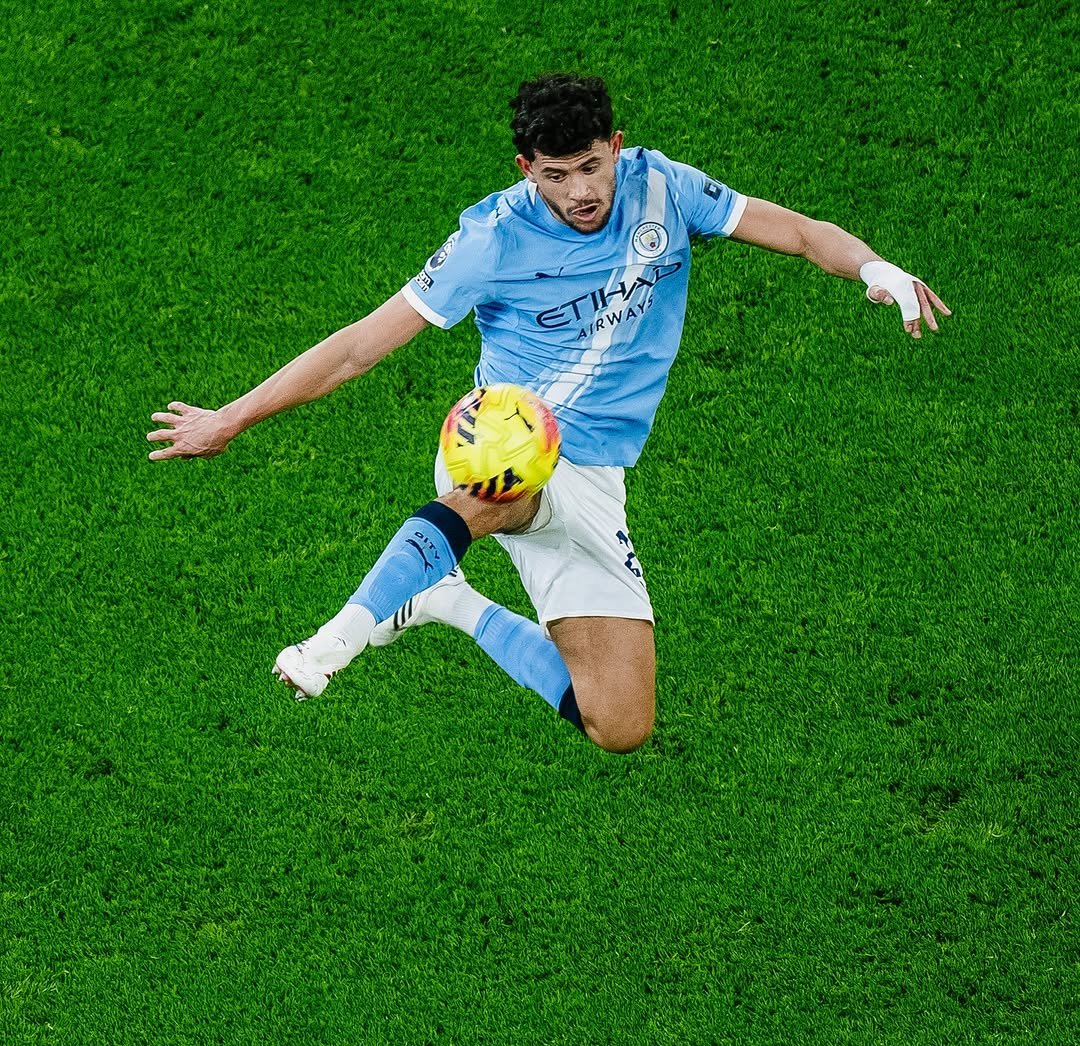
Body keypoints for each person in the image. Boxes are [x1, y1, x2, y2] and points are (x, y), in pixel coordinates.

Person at [147, 73, 950, 753]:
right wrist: (234, 416)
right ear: (526, 167)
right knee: (504, 476)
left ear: (618, 146)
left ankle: (442, 599)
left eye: (593, 168)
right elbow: (360, 346)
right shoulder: (489, 241)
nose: (581, 193)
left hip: (596, 472)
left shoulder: (665, 189)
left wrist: (875, 267)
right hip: (508, 434)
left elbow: (803, 233)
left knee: (619, 724)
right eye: (556, 175)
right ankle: (337, 638)